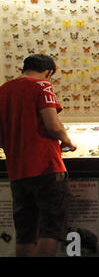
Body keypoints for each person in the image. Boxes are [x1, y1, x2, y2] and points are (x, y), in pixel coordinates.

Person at [0, 54, 77, 257]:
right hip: (46, 167)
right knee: (50, 229)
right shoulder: (42, 86)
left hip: (17, 171)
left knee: (25, 233)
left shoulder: (3, 90)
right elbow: (52, 125)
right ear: (49, 72)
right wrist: (67, 140)